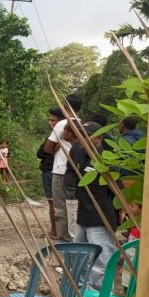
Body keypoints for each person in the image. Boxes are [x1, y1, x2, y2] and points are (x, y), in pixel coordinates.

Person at [69, 122, 118, 290]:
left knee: (101, 258)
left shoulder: (106, 158)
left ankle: (100, 295)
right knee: (78, 255)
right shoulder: (83, 155)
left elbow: (117, 189)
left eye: (86, 135)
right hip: (84, 215)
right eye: (80, 134)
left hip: (100, 216)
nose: (81, 138)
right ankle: (80, 292)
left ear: (99, 137)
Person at [44, 93, 83, 242]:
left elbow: (47, 148)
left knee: (60, 209)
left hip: (60, 170)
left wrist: (57, 148)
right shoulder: (82, 124)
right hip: (75, 171)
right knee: (72, 207)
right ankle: (73, 238)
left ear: (66, 106)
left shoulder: (63, 124)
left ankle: (63, 240)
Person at [37, 108, 64, 239]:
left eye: (52, 120)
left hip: (51, 171)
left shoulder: (57, 136)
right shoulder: (56, 136)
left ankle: (55, 231)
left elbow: (42, 152)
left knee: (53, 203)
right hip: (52, 171)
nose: (49, 122)